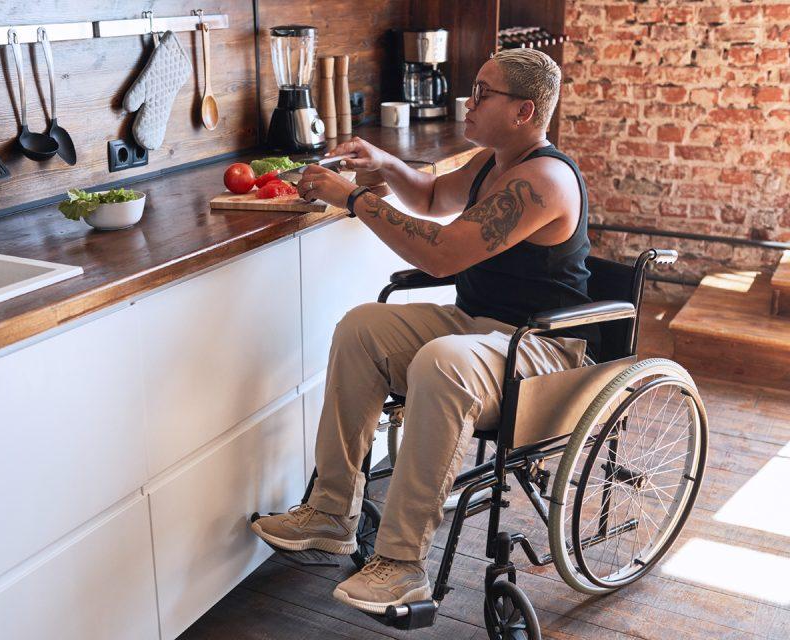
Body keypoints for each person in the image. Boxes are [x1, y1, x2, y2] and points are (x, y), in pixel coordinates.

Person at [250, 48, 600, 615]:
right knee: (363, 327)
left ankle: (403, 565)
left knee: (443, 361)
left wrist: (356, 199)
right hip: (479, 331)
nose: (469, 99)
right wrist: (384, 165)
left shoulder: (543, 179)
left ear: (524, 111)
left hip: (542, 348)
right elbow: (433, 197)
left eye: (484, 92)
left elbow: (441, 256)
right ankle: (332, 512)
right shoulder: (495, 162)